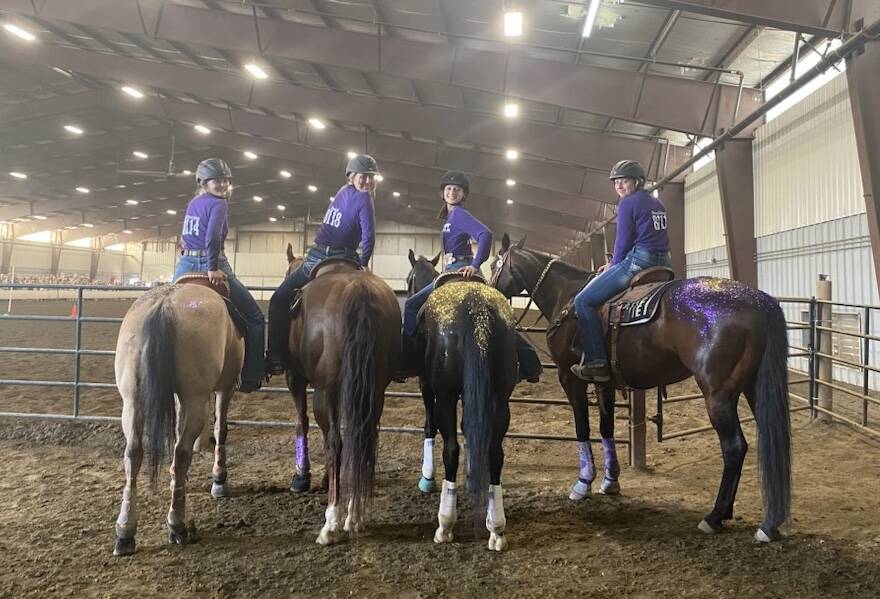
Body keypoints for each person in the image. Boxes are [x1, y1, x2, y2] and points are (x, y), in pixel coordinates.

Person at [399, 171, 541, 381]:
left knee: (411, 305)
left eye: (456, 189)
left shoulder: (458, 214)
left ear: (463, 194)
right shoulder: (450, 217)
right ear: (442, 193)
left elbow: (485, 234)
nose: (452, 192)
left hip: (458, 268)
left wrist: (474, 265)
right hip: (456, 267)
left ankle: (408, 360)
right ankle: (530, 361)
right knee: (497, 314)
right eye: (448, 189)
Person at [265, 154, 378, 376]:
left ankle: (276, 356)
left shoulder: (344, 192)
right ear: (352, 176)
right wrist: (364, 263)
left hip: (318, 256)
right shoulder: (363, 198)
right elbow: (369, 237)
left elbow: (368, 237)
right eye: (363, 176)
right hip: (346, 257)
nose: (367, 181)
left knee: (279, 300)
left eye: (371, 177)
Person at [570, 160, 671, 382]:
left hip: (640, 260)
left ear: (637, 182)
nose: (619, 186)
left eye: (624, 181)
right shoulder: (657, 203)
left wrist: (614, 264)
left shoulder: (627, 203)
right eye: (616, 182)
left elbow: (623, 240)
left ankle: (597, 362)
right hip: (664, 261)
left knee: (583, 301)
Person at [172, 158, 266, 393]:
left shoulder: (194, 202)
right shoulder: (219, 203)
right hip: (210, 261)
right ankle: (252, 374)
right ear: (204, 182)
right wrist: (212, 266)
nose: (222, 185)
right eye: (217, 181)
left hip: (185, 263)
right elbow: (213, 237)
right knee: (255, 317)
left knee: (166, 303)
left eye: (225, 180)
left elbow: (186, 236)